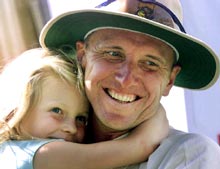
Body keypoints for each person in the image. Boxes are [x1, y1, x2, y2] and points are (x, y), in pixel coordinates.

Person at [39, 0, 220, 168]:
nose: (125, 79)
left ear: (170, 80)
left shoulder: (190, 156)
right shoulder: (36, 137)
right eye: (113, 54)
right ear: (82, 56)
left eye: (150, 64)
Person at [0, 47, 169, 169]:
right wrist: (157, 115)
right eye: (57, 111)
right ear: (16, 110)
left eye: (81, 118)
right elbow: (137, 147)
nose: (71, 128)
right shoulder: (40, 154)